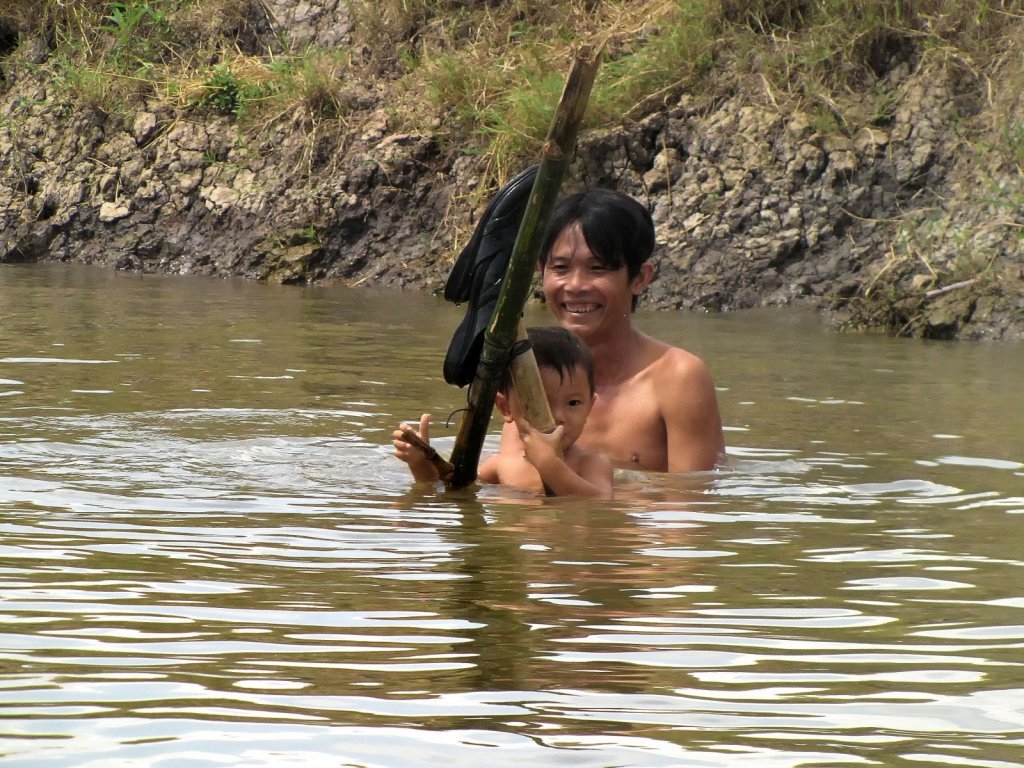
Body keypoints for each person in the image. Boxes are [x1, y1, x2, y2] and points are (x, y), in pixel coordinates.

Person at [523, 187, 726, 473]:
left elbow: (690, 497)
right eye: (561, 268)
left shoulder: (677, 379)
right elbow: (512, 479)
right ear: (541, 270)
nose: (575, 285)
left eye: (597, 268)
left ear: (640, 278)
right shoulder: (530, 370)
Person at [394, 326, 614, 499]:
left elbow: (601, 504)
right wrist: (421, 464)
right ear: (505, 407)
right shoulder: (503, 464)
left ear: (590, 407)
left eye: (573, 403)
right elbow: (450, 495)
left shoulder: (590, 463)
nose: (559, 417)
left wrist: (549, 464)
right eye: (541, 403)